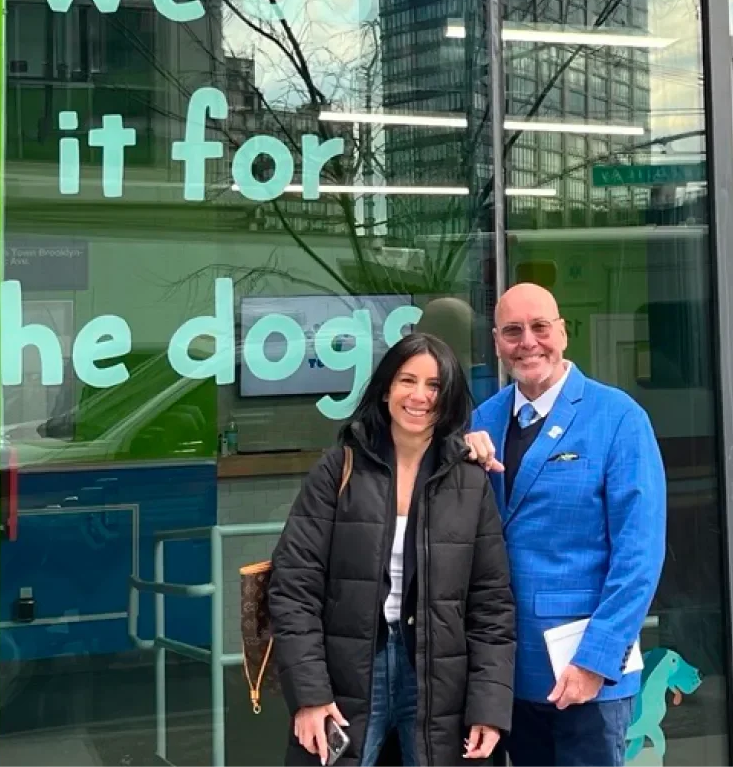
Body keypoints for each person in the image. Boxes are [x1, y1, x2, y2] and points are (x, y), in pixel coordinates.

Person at [269, 332, 516, 767]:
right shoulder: (339, 468)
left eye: (434, 385)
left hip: (440, 678)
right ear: (386, 389)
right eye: (407, 380)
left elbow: (491, 606)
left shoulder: (469, 481)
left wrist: (489, 709)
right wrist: (309, 695)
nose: (419, 396)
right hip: (350, 671)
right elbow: (293, 588)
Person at [465, 283, 666, 767]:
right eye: (513, 331)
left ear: (563, 333)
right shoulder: (481, 422)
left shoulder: (618, 418)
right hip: (504, 670)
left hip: (584, 672)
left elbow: (638, 556)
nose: (527, 342)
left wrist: (597, 658)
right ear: (496, 342)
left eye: (540, 328)